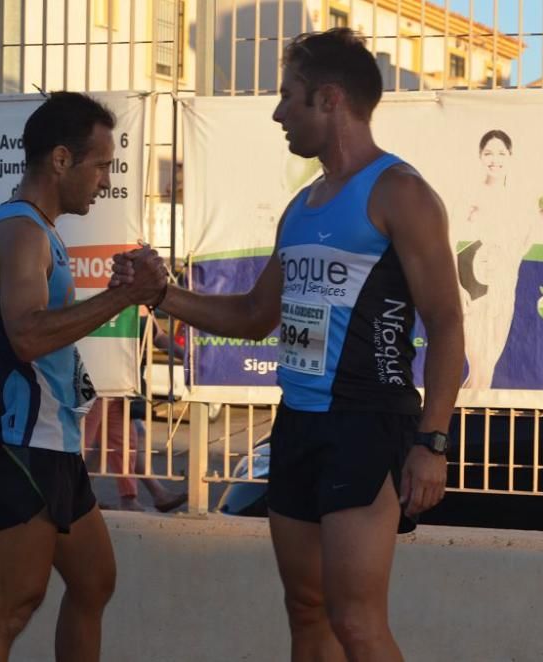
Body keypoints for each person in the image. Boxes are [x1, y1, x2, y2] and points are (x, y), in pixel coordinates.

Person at [114, 28, 464, 661]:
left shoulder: (400, 193)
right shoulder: (300, 206)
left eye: (288, 97)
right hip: (298, 424)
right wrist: (160, 294)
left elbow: (446, 323)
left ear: (329, 99)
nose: (278, 114)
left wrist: (431, 442)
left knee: (356, 621)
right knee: (306, 612)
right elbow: (254, 314)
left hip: (366, 422)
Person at [0, 91, 166, 662]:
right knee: (10, 608)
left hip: (51, 446)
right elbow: (27, 336)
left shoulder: (33, 229)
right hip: (19, 447)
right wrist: (124, 296)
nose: (105, 179)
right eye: (100, 164)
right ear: (60, 160)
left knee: (94, 581)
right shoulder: (22, 233)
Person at [83, 311, 186, 512]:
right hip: (96, 382)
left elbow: (158, 337)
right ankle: (74, 496)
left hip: (121, 385)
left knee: (125, 443)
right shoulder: (106, 294)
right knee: (83, 443)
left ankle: (128, 498)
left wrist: (187, 357)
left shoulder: (140, 304)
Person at [454, 129, 531, 390]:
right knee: (480, 364)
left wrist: (541, 221)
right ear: (480, 156)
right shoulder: (470, 193)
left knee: (485, 369)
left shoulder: (518, 198)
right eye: (489, 153)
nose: (494, 159)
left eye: (501, 153)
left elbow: (520, 247)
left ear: (511, 156)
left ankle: (457, 420)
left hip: (505, 281)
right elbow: (451, 239)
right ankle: (456, 425)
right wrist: (458, 286)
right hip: (475, 277)